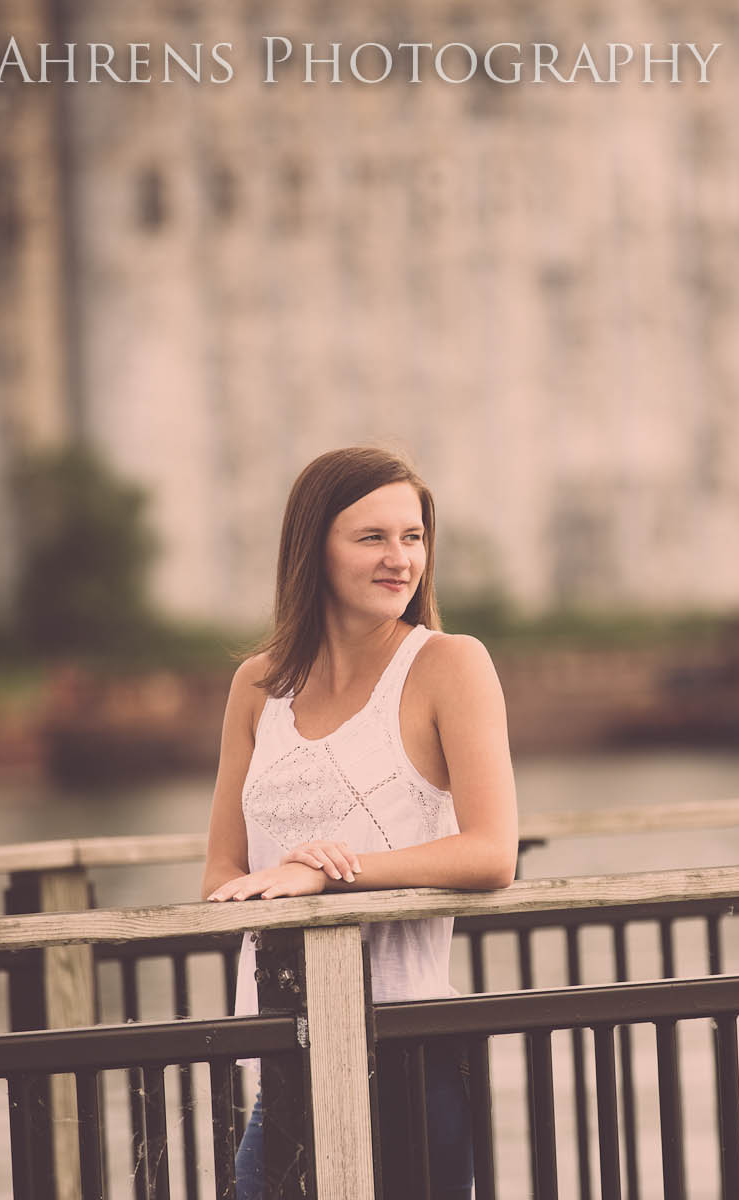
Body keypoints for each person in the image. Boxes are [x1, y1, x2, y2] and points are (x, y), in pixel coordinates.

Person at [200, 446, 518, 1200]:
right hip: (281, 1051)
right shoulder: (257, 684)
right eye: (371, 537)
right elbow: (220, 872)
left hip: (408, 1052)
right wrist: (270, 882)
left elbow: (492, 852)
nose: (400, 558)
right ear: (313, 548)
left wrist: (327, 871)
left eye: (412, 536)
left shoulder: (450, 663)